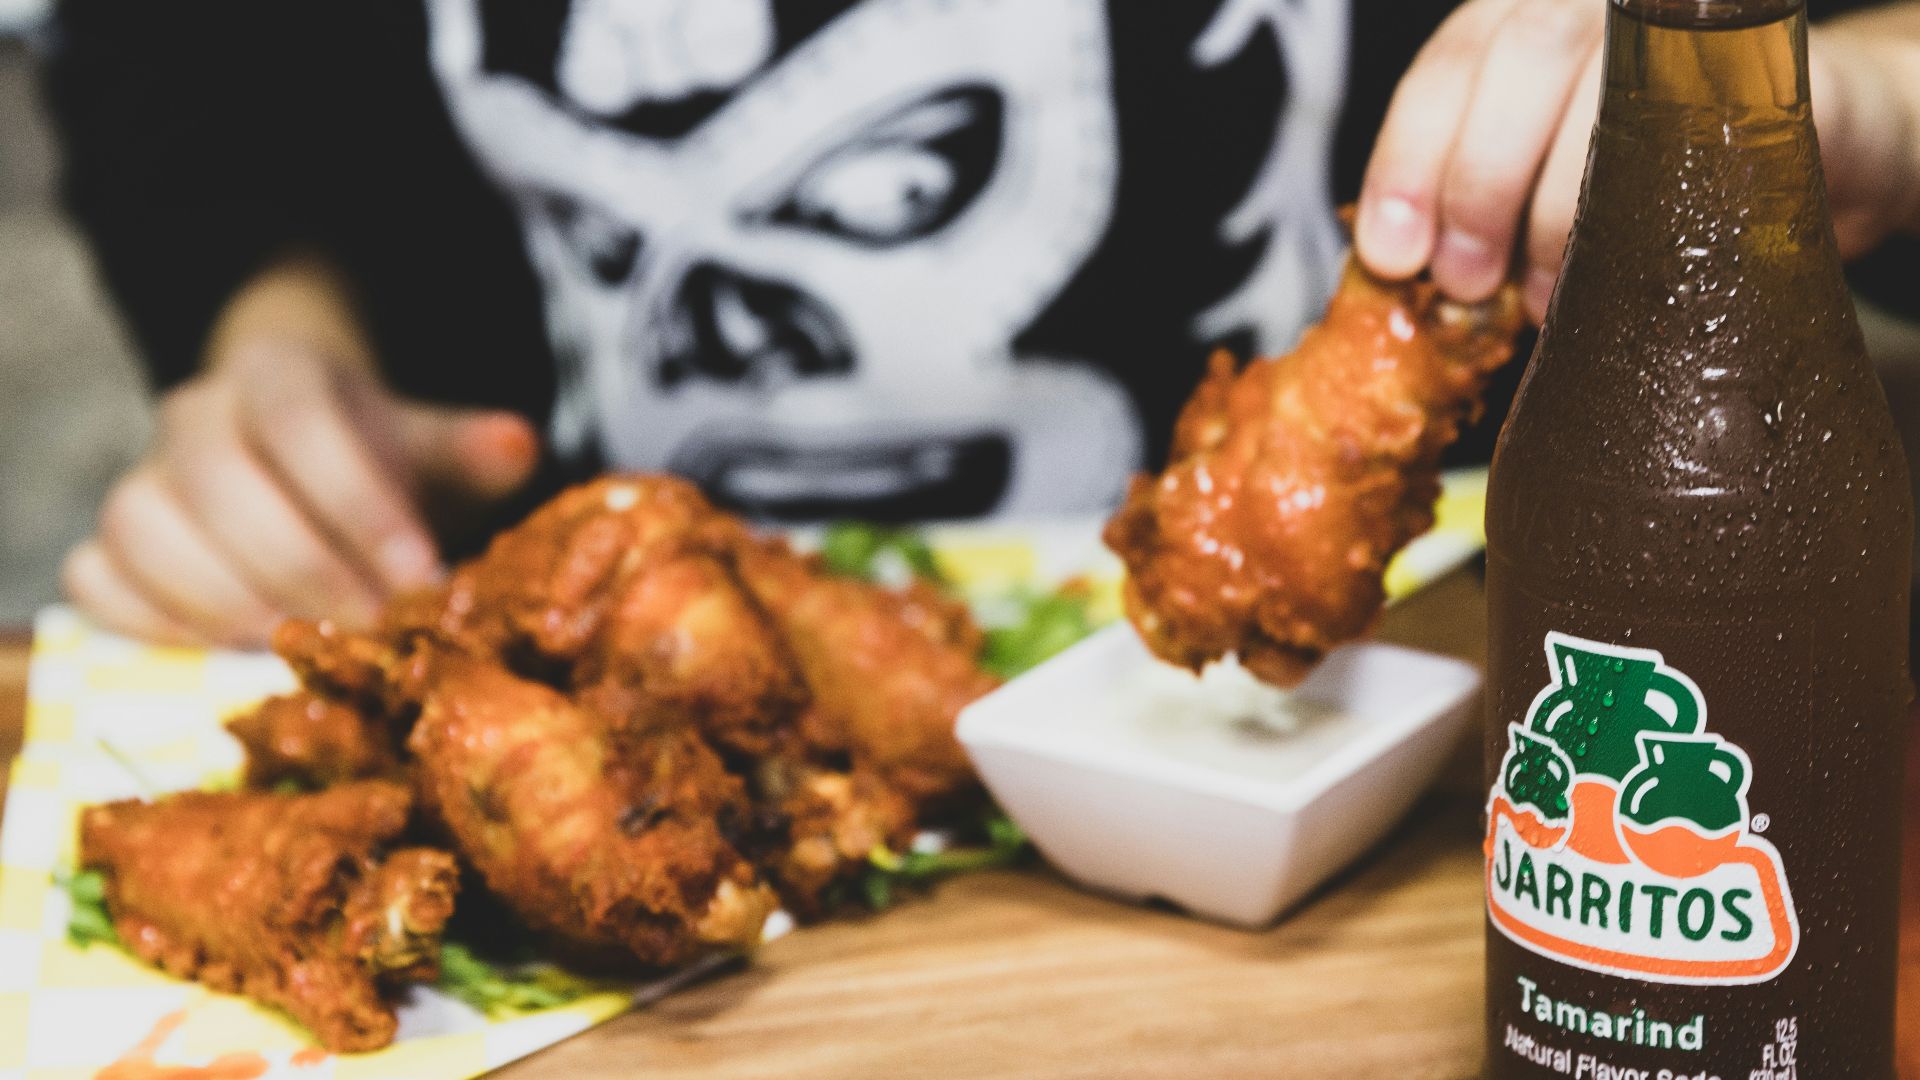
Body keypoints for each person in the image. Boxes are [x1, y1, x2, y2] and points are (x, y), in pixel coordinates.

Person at [44, 0, 1920, 647]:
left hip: (1536, 725)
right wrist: (272, 333)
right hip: (553, 636)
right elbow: (185, 76)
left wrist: (1859, 96)